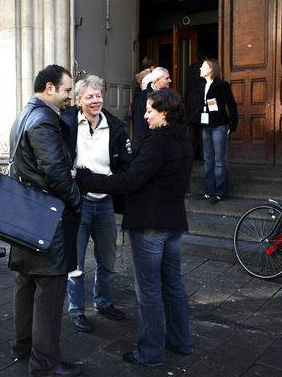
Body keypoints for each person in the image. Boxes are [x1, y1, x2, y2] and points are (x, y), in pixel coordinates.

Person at [77, 88, 193, 366]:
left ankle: (151, 352)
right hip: (173, 222)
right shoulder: (184, 141)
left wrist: (87, 179)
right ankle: (180, 341)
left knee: (149, 289)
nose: (145, 114)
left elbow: (129, 181)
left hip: (150, 224)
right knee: (173, 284)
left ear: (164, 113)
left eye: (150, 110)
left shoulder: (157, 143)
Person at [8, 64, 83, 377]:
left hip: (26, 215)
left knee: (26, 286)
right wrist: (76, 199)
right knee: (49, 293)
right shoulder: (43, 120)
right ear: (50, 88)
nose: (70, 97)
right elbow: (54, 172)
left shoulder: (24, 114)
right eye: (67, 90)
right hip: (46, 219)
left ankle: (24, 349)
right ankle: (44, 364)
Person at [61, 75, 132, 333]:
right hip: (78, 202)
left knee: (107, 259)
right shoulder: (66, 123)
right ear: (79, 100)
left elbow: (126, 166)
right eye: (89, 96)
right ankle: (77, 310)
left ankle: (102, 302)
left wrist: (113, 185)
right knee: (76, 263)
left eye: (98, 95)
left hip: (104, 203)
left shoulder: (115, 126)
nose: (96, 100)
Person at [197, 58, 237, 204]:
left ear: (211, 69)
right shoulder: (201, 86)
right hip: (206, 126)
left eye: (203, 66)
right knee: (207, 159)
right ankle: (209, 191)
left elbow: (231, 104)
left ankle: (221, 192)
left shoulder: (221, 84)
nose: (200, 68)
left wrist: (233, 125)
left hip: (220, 125)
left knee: (219, 160)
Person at [132, 67, 171, 144]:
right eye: (167, 78)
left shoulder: (169, 96)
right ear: (157, 79)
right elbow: (139, 124)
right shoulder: (142, 97)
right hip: (149, 142)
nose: (170, 81)